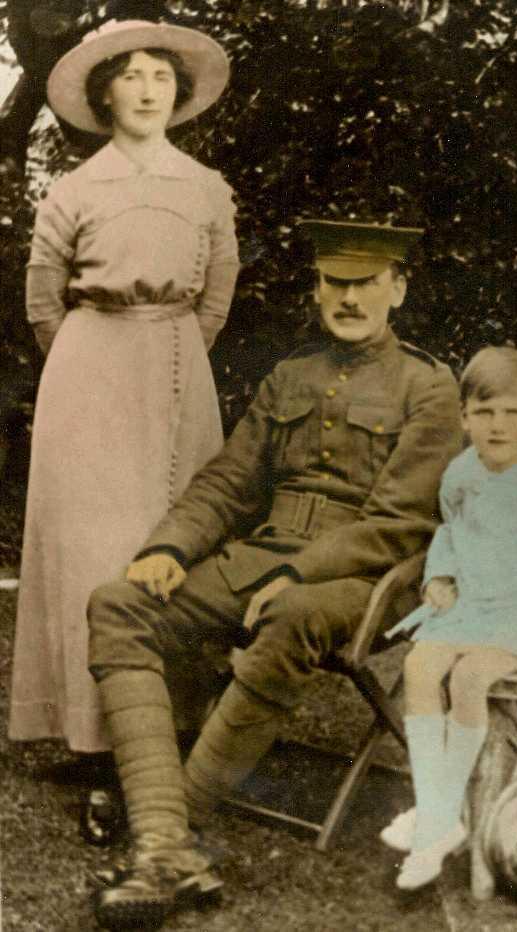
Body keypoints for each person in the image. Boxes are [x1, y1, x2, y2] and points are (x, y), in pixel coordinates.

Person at [84, 219, 463, 929]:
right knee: (118, 604)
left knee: (293, 613)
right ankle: (167, 842)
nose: (348, 298)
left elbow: (400, 522)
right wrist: (170, 548)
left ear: (398, 289)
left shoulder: (430, 387)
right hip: (262, 557)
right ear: (316, 289)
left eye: (366, 283)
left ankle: (172, 829)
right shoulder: (291, 375)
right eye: (334, 282)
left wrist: (298, 571)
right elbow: (229, 481)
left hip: (364, 578)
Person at [8, 18, 239, 835]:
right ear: (105, 95)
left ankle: (169, 724)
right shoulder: (75, 190)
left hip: (176, 365)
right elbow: (43, 301)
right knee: (92, 544)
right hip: (88, 370)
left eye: (161, 78)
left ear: (179, 94)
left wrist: (163, 345)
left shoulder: (206, 188)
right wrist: (96, 356)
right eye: (132, 76)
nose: (148, 91)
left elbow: (217, 294)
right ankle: (94, 734)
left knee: (170, 534)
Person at [379, 345, 517, 892]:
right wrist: (440, 576)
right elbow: (451, 533)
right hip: (473, 606)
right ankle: (442, 816)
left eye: (512, 412)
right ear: (464, 417)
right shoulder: (460, 473)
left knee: (469, 676)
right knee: (418, 667)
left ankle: (434, 819)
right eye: (483, 412)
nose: (497, 425)